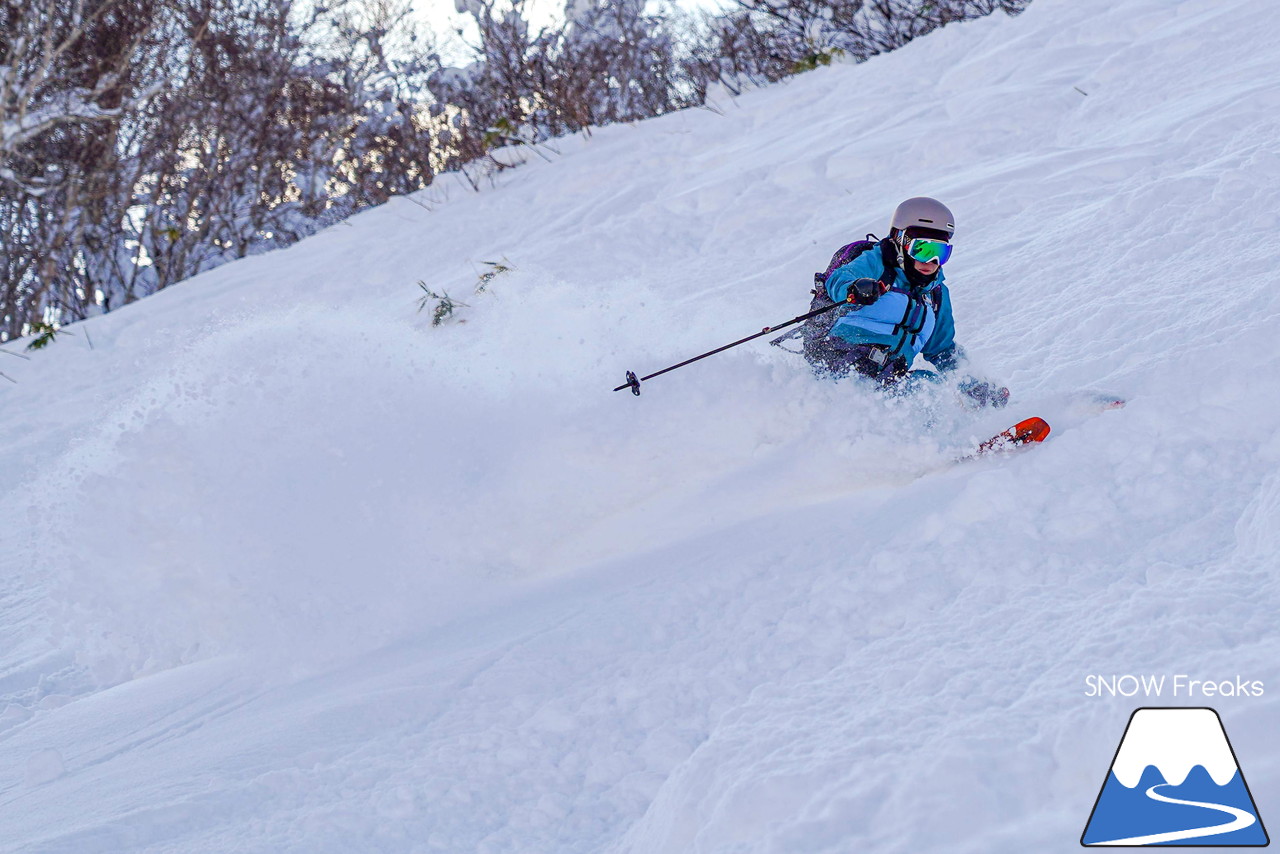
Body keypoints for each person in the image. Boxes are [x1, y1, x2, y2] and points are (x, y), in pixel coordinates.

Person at [809, 196, 1008, 407]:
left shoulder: (935, 294)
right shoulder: (877, 264)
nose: (930, 261)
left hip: (886, 379)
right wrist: (856, 288)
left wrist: (973, 385)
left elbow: (942, 351)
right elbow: (839, 279)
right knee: (924, 389)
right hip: (840, 365)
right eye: (922, 249)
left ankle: (938, 438)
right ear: (900, 241)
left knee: (925, 385)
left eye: (940, 253)